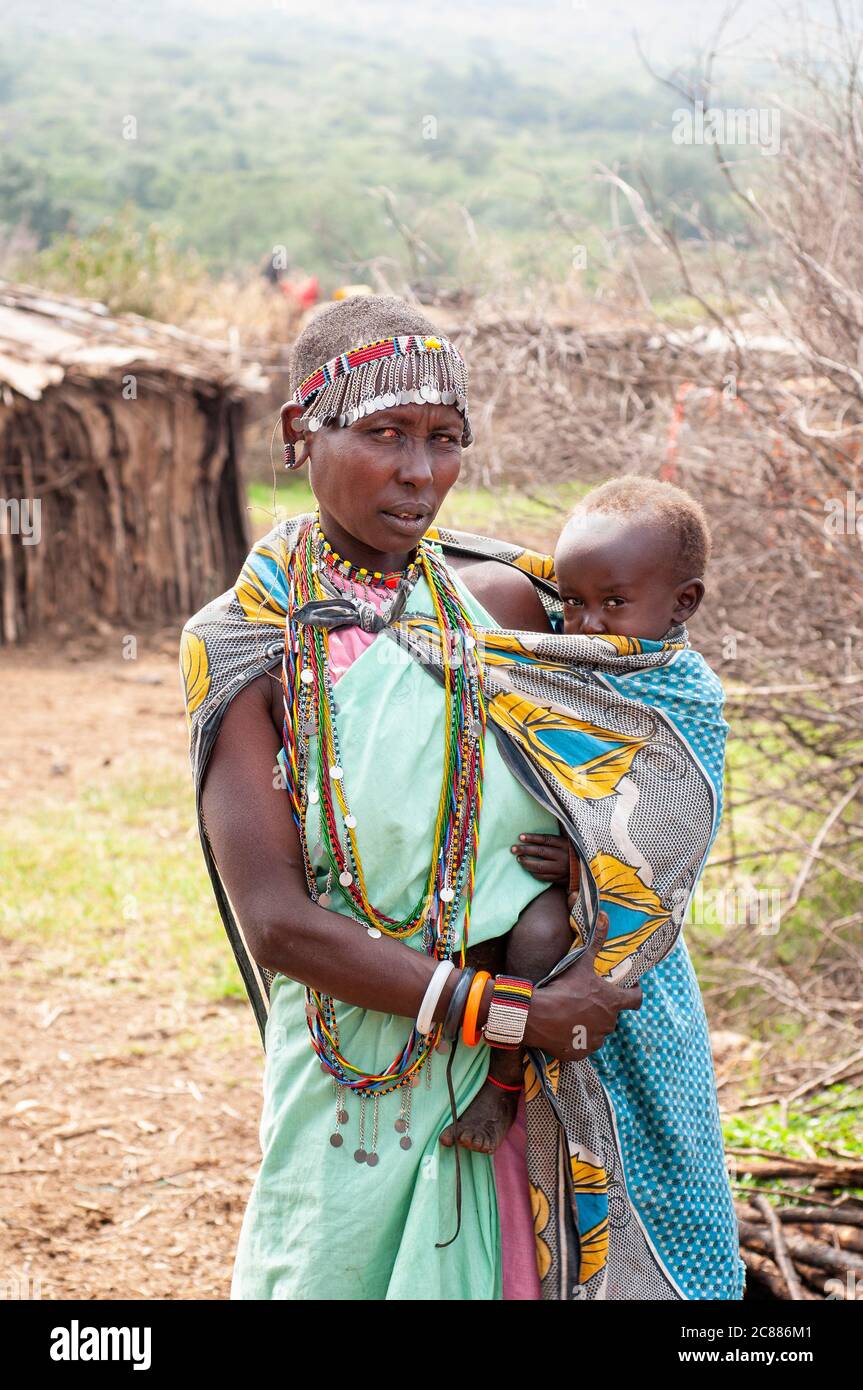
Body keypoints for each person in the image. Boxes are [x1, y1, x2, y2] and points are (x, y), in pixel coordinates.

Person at [180, 295, 641, 1301]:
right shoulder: (245, 644)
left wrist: (589, 851)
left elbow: (638, 768)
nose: (417, 471)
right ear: (303, 430)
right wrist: (516, 1012)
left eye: (443, 439)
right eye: (382, 433)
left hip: (506, 1080)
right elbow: (278, 924)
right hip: (352, 1061)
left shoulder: (504, 608)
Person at [447, 477, 724, 1153]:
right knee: (502, 929)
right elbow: (493, 677)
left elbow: (681, 822)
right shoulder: (559, 661)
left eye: (613, 603)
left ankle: (501, 1081)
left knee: (542, 939)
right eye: (572, 602)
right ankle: (506, 1076)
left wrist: (588, 862)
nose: (588, 624)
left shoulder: (682, 692)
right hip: (525, 879)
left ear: (682, 601)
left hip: (617, 914)